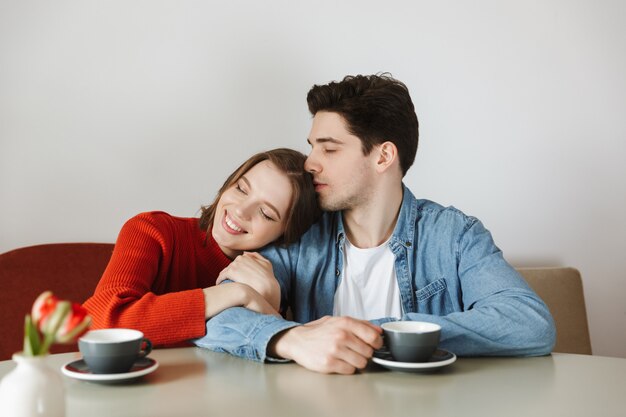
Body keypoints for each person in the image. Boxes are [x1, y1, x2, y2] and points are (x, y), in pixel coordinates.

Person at [193, 74, 556, 374]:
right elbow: (214, 321)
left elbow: (529, 324)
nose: (309, 164)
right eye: (312, 147)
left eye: (329, 149)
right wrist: (292, 339)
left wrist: (381, 334)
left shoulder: (455, 236)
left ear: (383, 155)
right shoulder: (300, 235)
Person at [83, 148, 321, 347]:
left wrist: (271, 308)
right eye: (241, 189)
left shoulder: (277, 276)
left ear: (286, 234)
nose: (240, 210)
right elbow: (101, 322)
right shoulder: (153, 230)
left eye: (265, 213)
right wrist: (236, 294)